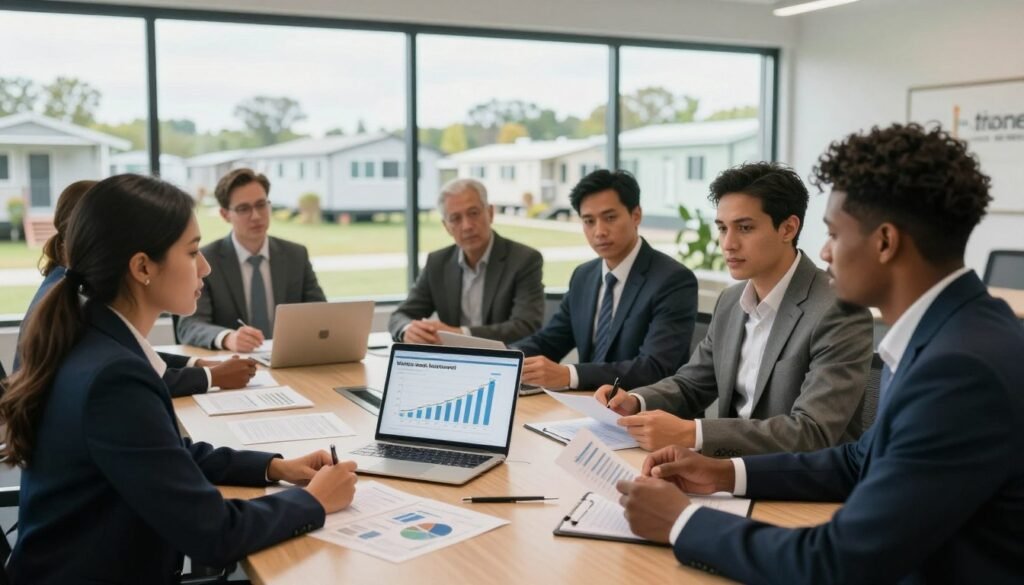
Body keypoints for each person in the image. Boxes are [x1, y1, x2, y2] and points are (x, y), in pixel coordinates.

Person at [616, 124, 1024, 583]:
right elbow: (857, 460)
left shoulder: (960, 370)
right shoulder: (949, 332)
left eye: (833, 234)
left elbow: (838, 563)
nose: (825, 252)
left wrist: (681, 522)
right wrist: (723, 472)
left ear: (885, 242)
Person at [0, 174, 357, 584]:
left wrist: (276, 467)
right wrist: (312, 501)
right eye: (191, 252)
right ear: (142, 267)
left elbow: (167, 454)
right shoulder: (112, 377)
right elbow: (213, 533)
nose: (204, 266)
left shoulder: (96, 337)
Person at [597, 162, 873, 455]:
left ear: (788, 228)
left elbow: (812, 432)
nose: (728, 244)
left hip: (799, 485)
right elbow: (691, 384)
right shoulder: (731, 301)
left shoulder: (839, 310)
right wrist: (635, 401)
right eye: (722, 228)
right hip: (726, 471)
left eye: (745, 228)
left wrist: (693, 433)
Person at [12, 179, 255, 395]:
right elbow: (124, 372)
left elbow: (135, 356)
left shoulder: (70, 292)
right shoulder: (86, 317)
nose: (205, 268)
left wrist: (197, 365)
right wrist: (210, 377)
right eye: (191, 252)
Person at [511, 170, 698, 391]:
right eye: (589, 221)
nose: (599, 231)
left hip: (645, 412)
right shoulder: (583, 276)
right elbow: (550, 341)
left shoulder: (673, 280)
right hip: (584, 406)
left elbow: (655, 368)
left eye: (610, 218)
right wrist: (502, 356)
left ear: (636, 215)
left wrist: (569, 374)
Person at [176, 168, 326, 351]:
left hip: (289, 359)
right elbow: (189, 325)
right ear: (225, 214)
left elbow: (321, 314)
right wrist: (227, 338)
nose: (256, 216)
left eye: (261, 205)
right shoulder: (206, 260)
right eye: (243, 208)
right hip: (233, 365)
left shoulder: (296, 255)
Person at [388, 178, 544, 344]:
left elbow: (525, 326)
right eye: (455, 218)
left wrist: (459, 334)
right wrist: (408, 330)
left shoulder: (524, 259)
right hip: (452, 364)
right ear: (446, 226)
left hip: (505, 361)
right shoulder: (437, 262)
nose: (467, 226)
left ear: (490, 213)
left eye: (473, 213)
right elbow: (400, 316)